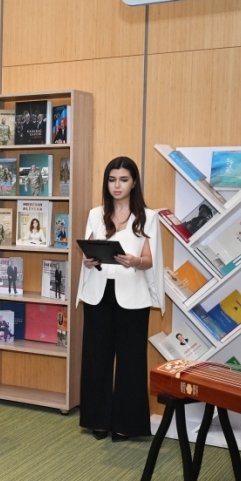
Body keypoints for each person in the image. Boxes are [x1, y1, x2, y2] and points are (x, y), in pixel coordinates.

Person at [77, 156, 164, 442]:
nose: (117, 185)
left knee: (131, 360)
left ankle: (126, 424)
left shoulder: (148, 217)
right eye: (112, 180)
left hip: (132, 296)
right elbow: (88, 249)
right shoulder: (95, 214)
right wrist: (88, 260)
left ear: (134, 183)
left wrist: (135, 261)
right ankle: (98, 420)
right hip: (98, 293)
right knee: (96, 357)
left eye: (123, 180)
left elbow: (150, 259)